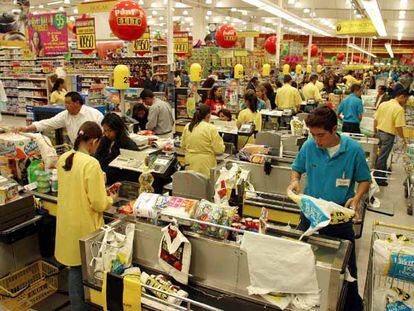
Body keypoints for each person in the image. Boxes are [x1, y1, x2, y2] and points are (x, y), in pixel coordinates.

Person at [288, 106, 370, 311]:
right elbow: (296, 169)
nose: (317, 140)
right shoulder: (309, 146)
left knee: (347, 269)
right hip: (311, 216)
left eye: (321, 135)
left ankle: (351, 306)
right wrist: (295, 182)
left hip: (339, 219)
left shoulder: (353, 150)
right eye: (313, 135)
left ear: (334, 129)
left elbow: (364, 180)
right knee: (302, 262)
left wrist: (356, 198)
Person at [55, 121, 117, 311]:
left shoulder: (64, 157)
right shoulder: (91, 163)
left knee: (74, 267)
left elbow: (78, 189)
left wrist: (102, 189)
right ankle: (80, 307)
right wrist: (111, 198)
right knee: (80, 270)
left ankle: (78, 305)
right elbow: (98, 203)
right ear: (94, 141)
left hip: (67, 222)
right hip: (84, 225)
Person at [20, 92, 104, 144]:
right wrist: (26, 129)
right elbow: (48, 123)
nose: (66, 106)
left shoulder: (94, 114)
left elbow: (104, 134)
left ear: (77, 103)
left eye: (68, 103)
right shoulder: (65, 115)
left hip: (94, 150)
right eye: (65, 103)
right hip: (77, 150)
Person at [374, 89, 409, 186]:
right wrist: (403, 138)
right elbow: (398, 126)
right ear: (401, 96)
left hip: (379, 132)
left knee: (379, 155)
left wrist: (374, 131)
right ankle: (379, 179)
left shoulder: (383, 104)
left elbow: (375, 119)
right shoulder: (399, 109)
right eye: (405, 100)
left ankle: (379, 174)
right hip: (388, 135)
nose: (405, 102)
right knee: (383, 157)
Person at [94, 113, 139, 185]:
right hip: (102, 179)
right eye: (105, 131)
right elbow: (97, 158)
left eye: (110, 131)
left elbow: (132, 173)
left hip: (119, 183)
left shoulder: (128, 145)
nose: (107, 134)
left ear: (117, 129)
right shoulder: (104, 141)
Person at [181, 104, 225, 177]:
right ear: (208, 115)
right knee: (204, 185)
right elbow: (219, 149)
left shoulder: (188, 126)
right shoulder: (211, 128)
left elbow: (183, 145)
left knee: (191, 183)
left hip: (190, 161)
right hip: (205, 164)